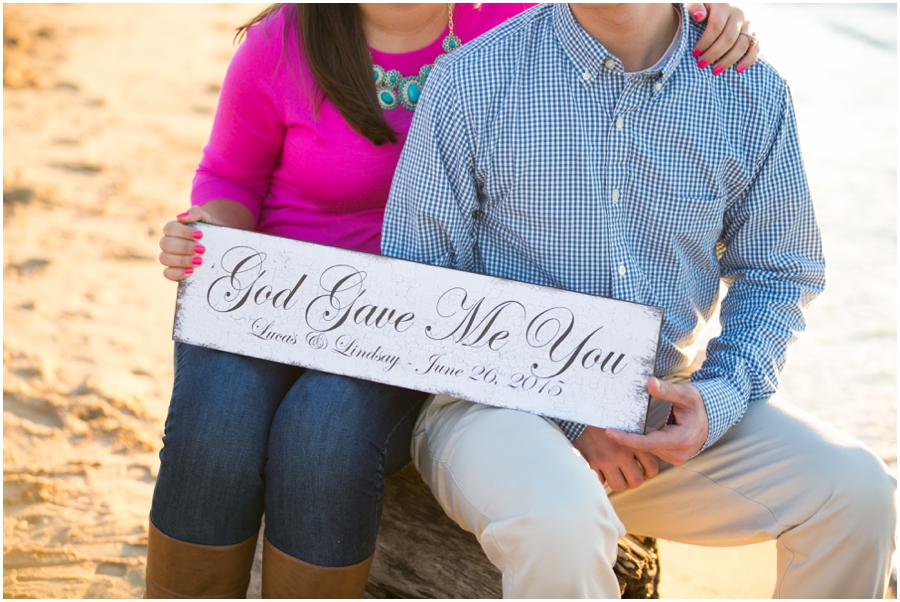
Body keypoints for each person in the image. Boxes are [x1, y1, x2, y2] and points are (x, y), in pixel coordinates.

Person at [147, 3, 759, 598]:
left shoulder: (510, 22)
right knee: (215, 422)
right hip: (273, 298)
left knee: (324, 433)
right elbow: (230, 177)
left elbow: (629, 31)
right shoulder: (283, 39)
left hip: (415, 323)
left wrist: (703, 13)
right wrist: (210, 229)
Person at [382, 3, 897, 599]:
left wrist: (715, 398)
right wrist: (574, 410)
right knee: (561, 520)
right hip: (491, 408)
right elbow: (419, 291)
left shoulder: (751, 90)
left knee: (857, 491)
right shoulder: (474, 79)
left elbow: (779, 272)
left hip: (657, 411)